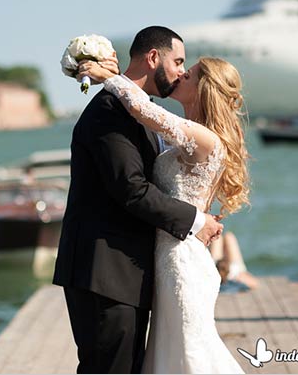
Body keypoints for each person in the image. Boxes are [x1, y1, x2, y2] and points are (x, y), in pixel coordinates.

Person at [52, 26, 224, 374]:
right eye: (177, 61)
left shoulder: (140, 112)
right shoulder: (109, 110)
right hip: (104, 271)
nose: (180, 71)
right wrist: (196, 221)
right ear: (153, 58)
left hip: (130, 272)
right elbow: (131, 189)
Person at [79, 51, 250, 373]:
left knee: (187, 350)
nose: (181, 75)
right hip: (167, 254)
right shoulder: (188, 136)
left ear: (204, 90)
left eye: (190, 74)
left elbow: (140, 107)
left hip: (179, 259)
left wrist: (107, 77)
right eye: (182, 67)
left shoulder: (202, 138)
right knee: (170, 350)